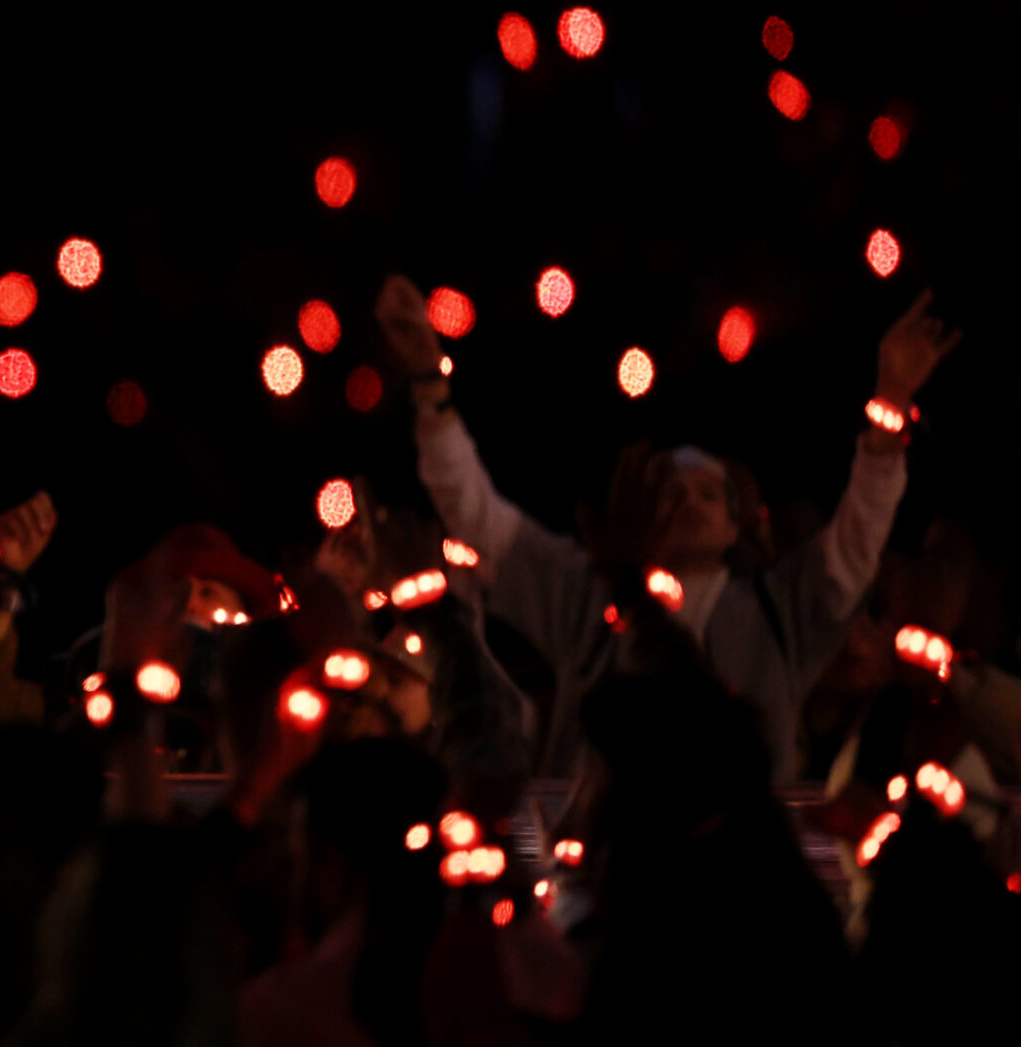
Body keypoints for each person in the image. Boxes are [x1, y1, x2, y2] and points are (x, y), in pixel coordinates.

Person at [375, 274, 958, 780]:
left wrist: (891, 400)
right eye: (671, 492)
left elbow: (858, 537)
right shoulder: (584, 595)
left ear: (733, 528)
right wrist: (429, 383)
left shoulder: (780, 613)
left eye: (707, 494)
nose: (689, 503)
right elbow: (478, 515)